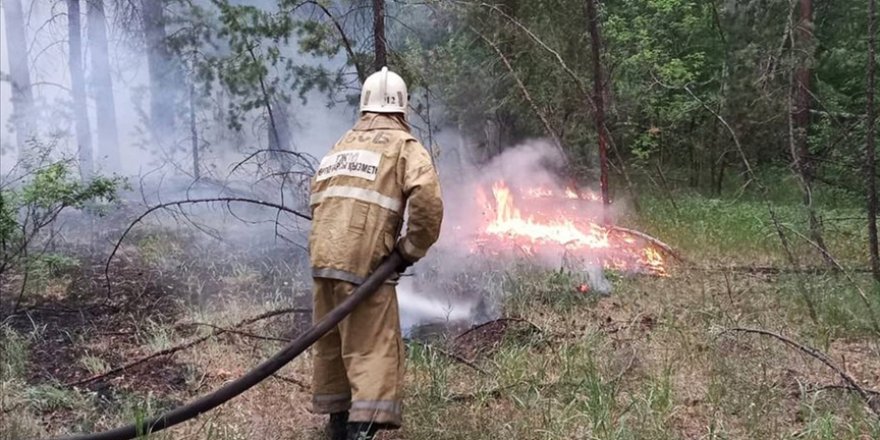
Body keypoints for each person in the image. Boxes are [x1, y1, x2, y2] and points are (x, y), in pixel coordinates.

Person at [308, 67, 444, 440]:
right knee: (372, 348)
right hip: (365, 265)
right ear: (402, 108)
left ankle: (336, 422)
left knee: (332, 342)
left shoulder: (341, 145)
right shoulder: (404, 148)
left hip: (323, 258)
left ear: (365, 105)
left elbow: (316, 198)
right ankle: (359, 431)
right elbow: (428, 203)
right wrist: (408, 250)